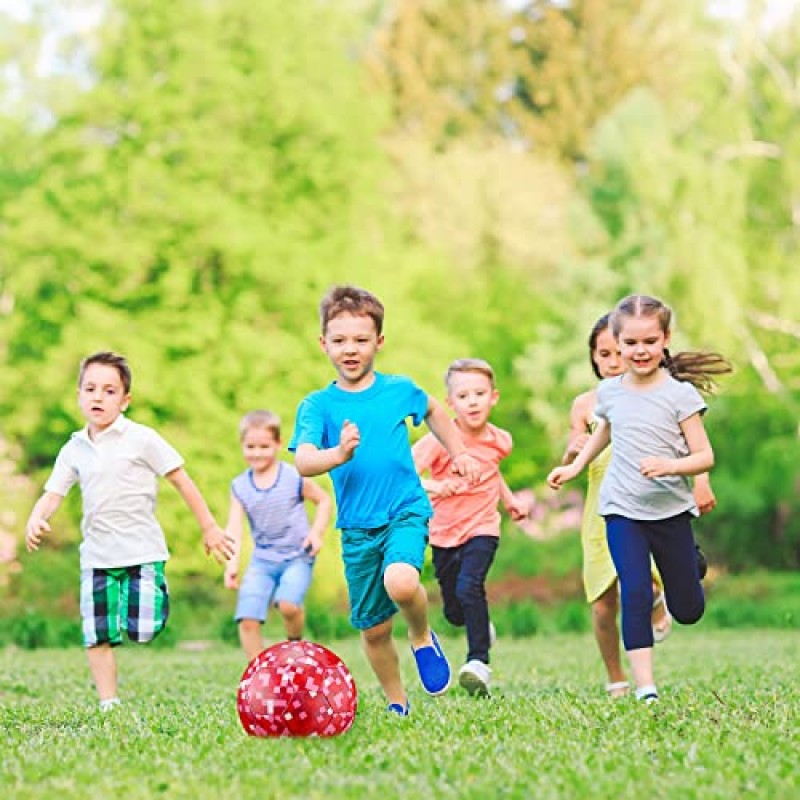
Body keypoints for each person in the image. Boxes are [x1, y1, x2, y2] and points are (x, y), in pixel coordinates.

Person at [289, 285, 481, 716]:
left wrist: (460, 453)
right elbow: (302, 461)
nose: (350, 349)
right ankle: (397, 703)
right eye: (339, 340)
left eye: (361, 339)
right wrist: (337, 454)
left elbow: (433, 409)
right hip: (357, 527)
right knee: (374, 631)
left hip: (404, 510)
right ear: (324, 344)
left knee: (401, 580)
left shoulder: (398, 390)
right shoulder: (318, 405)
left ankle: (420, 635)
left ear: (379, 341)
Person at [25, 351, 234, 711]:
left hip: (143, 552)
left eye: (109, 391)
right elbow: (53, 492)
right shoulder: (74, 448)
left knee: (143, 631)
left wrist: (210, 527)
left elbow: (181, 481)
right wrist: (35, 517)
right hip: (97, 556)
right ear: (78, 395)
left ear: (125, 401)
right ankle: (109, 702)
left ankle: (147, 605)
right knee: (97, 634)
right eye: (89, 389)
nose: (97, 397)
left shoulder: (141, 438)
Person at [547, 295, 731, 703]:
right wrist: (575, 467)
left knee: (688, 610)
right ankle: (645, 686)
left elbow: (705, 455)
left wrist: (670, 466)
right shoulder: (609, 392)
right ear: (617, 342)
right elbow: (604, 432)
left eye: (649, 341)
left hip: (669, 511)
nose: (640, 351)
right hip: (621, 508)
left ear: (666, 339)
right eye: (630, 343)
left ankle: (686, 572)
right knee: (634, 590)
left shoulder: (679, 395)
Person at [412, 358, 528, 698]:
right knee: (454, 610)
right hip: (444, 532)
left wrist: (509, 501)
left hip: (483, 526)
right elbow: (406, 476)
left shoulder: (500, 440)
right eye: (463, 396)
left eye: (480, 393)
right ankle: (479, 626)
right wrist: (437, 488)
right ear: (450, 404)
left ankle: (478, 661)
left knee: (470, 586)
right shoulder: (439, 439)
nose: (473, 401)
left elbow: (492, 472)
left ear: (494, 397)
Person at [223, 410, 332, 661]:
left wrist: (317, 533)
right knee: (247, 617)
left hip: (297, 556)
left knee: (288, 605)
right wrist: (232, 564)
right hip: (262, 560)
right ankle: (258, 672)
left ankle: (295, 645)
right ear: (242, 446)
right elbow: (234, 528)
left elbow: (324, 500)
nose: (257, 453)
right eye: (250, 446)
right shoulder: (239, 486)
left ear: (278, 444)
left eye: (264, 446)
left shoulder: (294, 476)